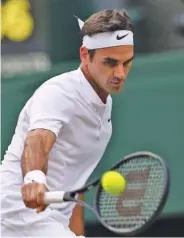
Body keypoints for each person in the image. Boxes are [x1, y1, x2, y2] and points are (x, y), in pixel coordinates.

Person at [0, 9, 134, 237]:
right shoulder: (59, 92)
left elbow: (75, 189)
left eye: (126, 63)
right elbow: (38, 140)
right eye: (110, 62)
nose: (120, 73)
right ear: (85, 55)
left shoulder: (103, 109)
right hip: (16, 214)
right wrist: (34, 178)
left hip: (50, 222)